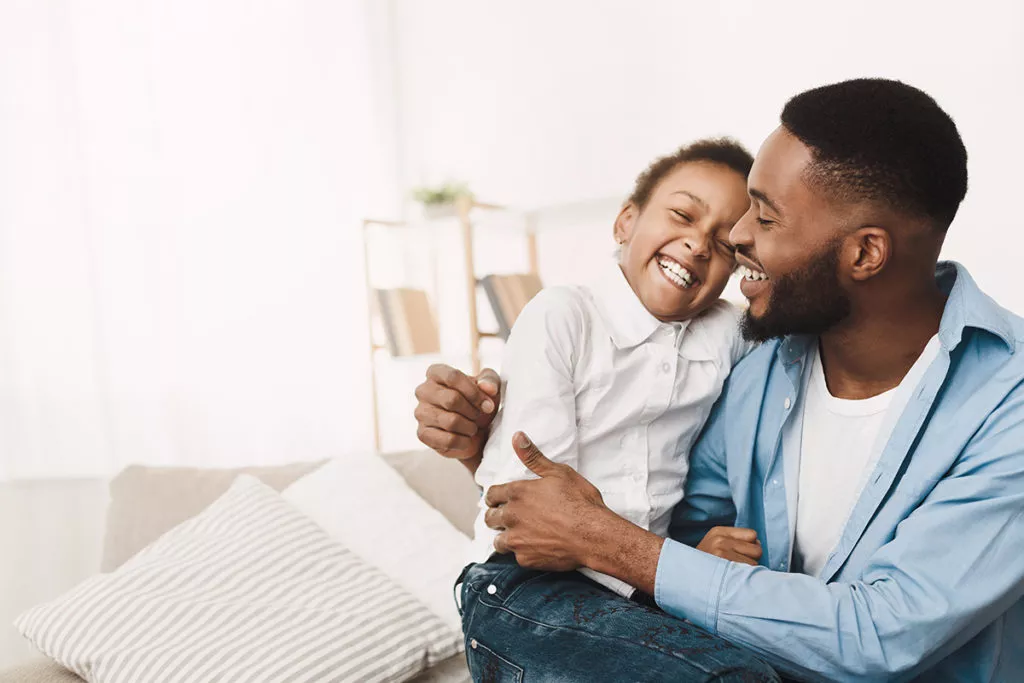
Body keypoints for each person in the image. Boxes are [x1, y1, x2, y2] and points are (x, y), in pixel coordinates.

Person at [414, 78, 1024, 681]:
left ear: (864, 254)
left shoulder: (1007, 401)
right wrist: (485, 448)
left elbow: (881, 634)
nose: (736, 237)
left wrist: (612, 545)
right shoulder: (756, 362)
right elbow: (658, 524)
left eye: (765, 216)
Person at [453, 138, 779, 681]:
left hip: (639, 587)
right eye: (681, 214)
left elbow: (795, 348)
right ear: (625, 222)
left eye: (725, 244)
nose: (698, 245)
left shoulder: (726, 333)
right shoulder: (564, 316)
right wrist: (675, 567)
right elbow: (536, 518)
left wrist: (685, 560)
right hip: (522, 589)